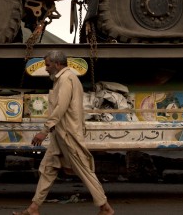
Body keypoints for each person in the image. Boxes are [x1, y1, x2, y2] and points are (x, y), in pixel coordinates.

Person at [14, 50, 114, 215]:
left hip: (68, 135)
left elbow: (61, 107)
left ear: (57, 64)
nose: (45, 69)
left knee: (84, 170)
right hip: (59, 135)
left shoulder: (67, 79)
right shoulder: (62, 79)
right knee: (48, 169)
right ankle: (33, 208)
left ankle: (105, 207)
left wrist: (44, 131)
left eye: (47, 65)